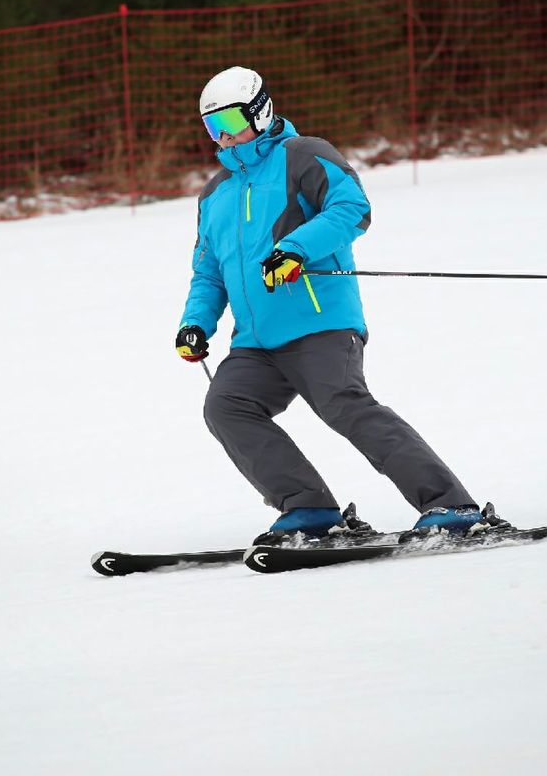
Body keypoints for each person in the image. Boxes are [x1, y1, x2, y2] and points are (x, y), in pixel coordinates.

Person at [175, 66, 508, 544]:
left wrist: (295, 248)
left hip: (318, 325)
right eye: (212, 127)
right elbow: (208, 273)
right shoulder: (215, 195)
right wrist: (195, 324)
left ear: (259, 110)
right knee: (226, 407)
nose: (225, 136)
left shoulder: (304, 156)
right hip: (256, 341)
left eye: (231, 121)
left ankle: (449, 504)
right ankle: (307, 508)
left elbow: (352, 208)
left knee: (344, 406)